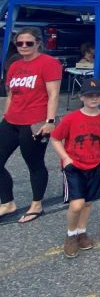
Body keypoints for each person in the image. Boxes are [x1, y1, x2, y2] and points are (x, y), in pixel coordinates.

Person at [50, 78, 100, 258]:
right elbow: (55, 138)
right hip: (74, 166)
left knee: (88, 202)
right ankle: (71, 235)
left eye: (97, 95)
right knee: (77, 204)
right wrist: (65, 158)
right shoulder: (71, 118)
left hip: (95, 165)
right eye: (89, 95)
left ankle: (82, 231)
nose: (94, 99)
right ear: (81, 97)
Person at [0, 27, 62, 223]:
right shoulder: (14, 65)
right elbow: (11, 94)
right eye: (20, 43)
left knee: (34, 164)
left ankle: (37, 205)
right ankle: (8, 203)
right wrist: (5, 115)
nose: (24, 46)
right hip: (12, 120)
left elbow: (53, 95)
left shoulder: (49, 63)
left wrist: (50, 121)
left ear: (38, 43)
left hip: (35, 122)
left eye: (29, 43)